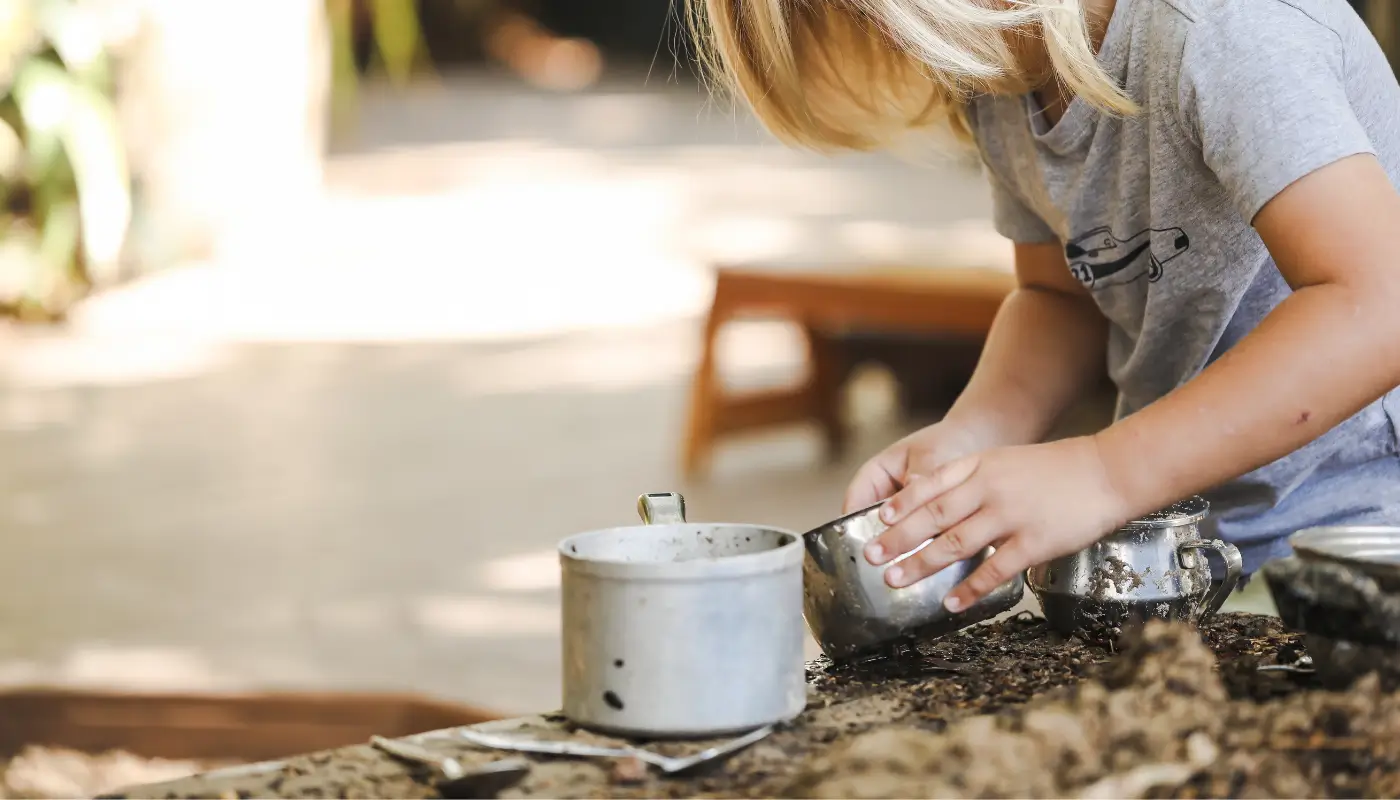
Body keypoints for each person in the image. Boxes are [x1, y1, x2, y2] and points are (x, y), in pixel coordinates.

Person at [690, 0, 1400, 611]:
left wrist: (1105, 472)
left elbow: (1377, 302)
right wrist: (973, 434)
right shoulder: (1009, 62)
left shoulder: (1222, 28)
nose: (920, 57)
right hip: (1205, 539)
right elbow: (1060, 294)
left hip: (1367, 536)